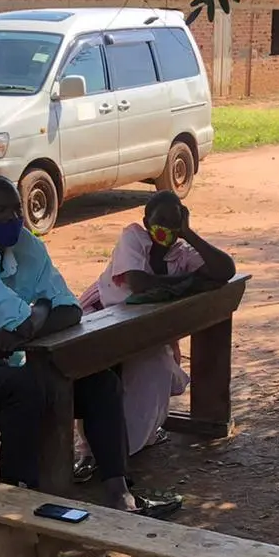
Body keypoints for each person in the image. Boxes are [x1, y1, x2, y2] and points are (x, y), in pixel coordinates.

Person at [0, 175, 179, 517]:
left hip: (6, 364)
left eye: (16, 210)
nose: (12, 219)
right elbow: (14, 315)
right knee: (26, 387)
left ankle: (119, 491)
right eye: (0, 211)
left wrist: (29, 323)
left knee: (99, 382)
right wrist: (38, 311)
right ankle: (19, 496)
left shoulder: (27, 245)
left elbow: (70, 309)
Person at [79, 191, 236, 459]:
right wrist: (189, 281)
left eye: (174, 223)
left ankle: (128, 445)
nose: (166, 229)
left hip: (146, 330)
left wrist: (189, 234)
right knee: (103, 378)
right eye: (160, 221)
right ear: (146, 220)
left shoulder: (181, 252)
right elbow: (138, 282)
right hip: (103, 321)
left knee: (155, 371)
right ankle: (101, 446)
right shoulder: (133, 237)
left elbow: (226, 270)